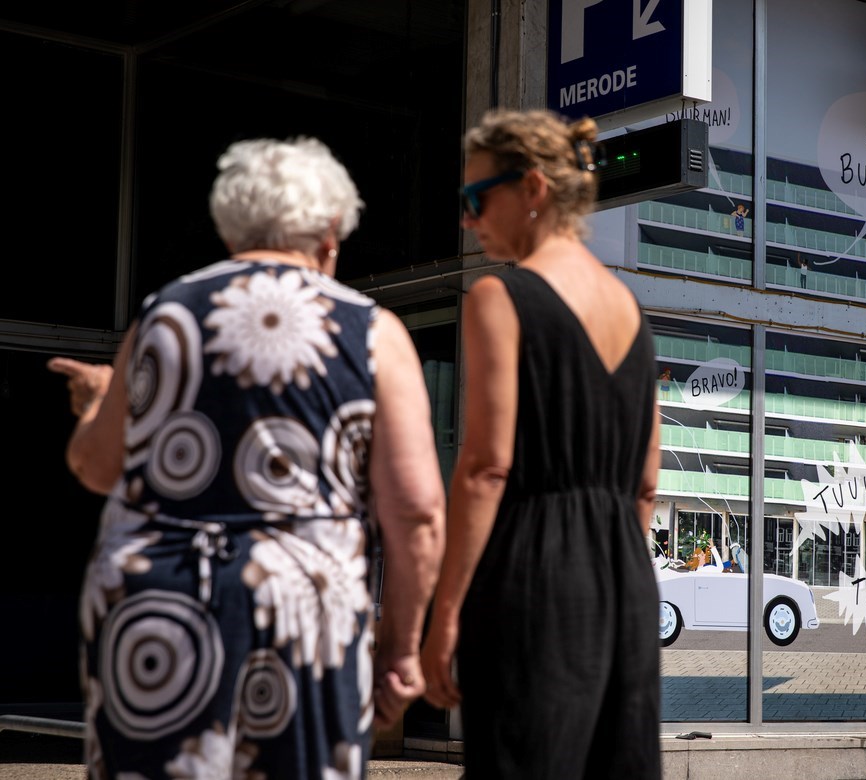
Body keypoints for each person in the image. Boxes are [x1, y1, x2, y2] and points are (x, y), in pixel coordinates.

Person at [48, 137, 446, 778]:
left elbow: (96, 467)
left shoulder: (167, 313)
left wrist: (96, 402)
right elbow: (419, 511)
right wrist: (400, 651)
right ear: (328, 237)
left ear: (232, 227)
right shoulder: (372, 331)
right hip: (305, 608)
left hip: (157, 603)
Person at [419, 109, 662, 778]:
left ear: (532, 189)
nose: (468, 219)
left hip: (534, 575)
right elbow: (646, 484)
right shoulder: (630, 309)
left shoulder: (500, 296)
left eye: (475, 198)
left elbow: (486, 468)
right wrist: (608, 557)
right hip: (626, 584)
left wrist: (446, 615)